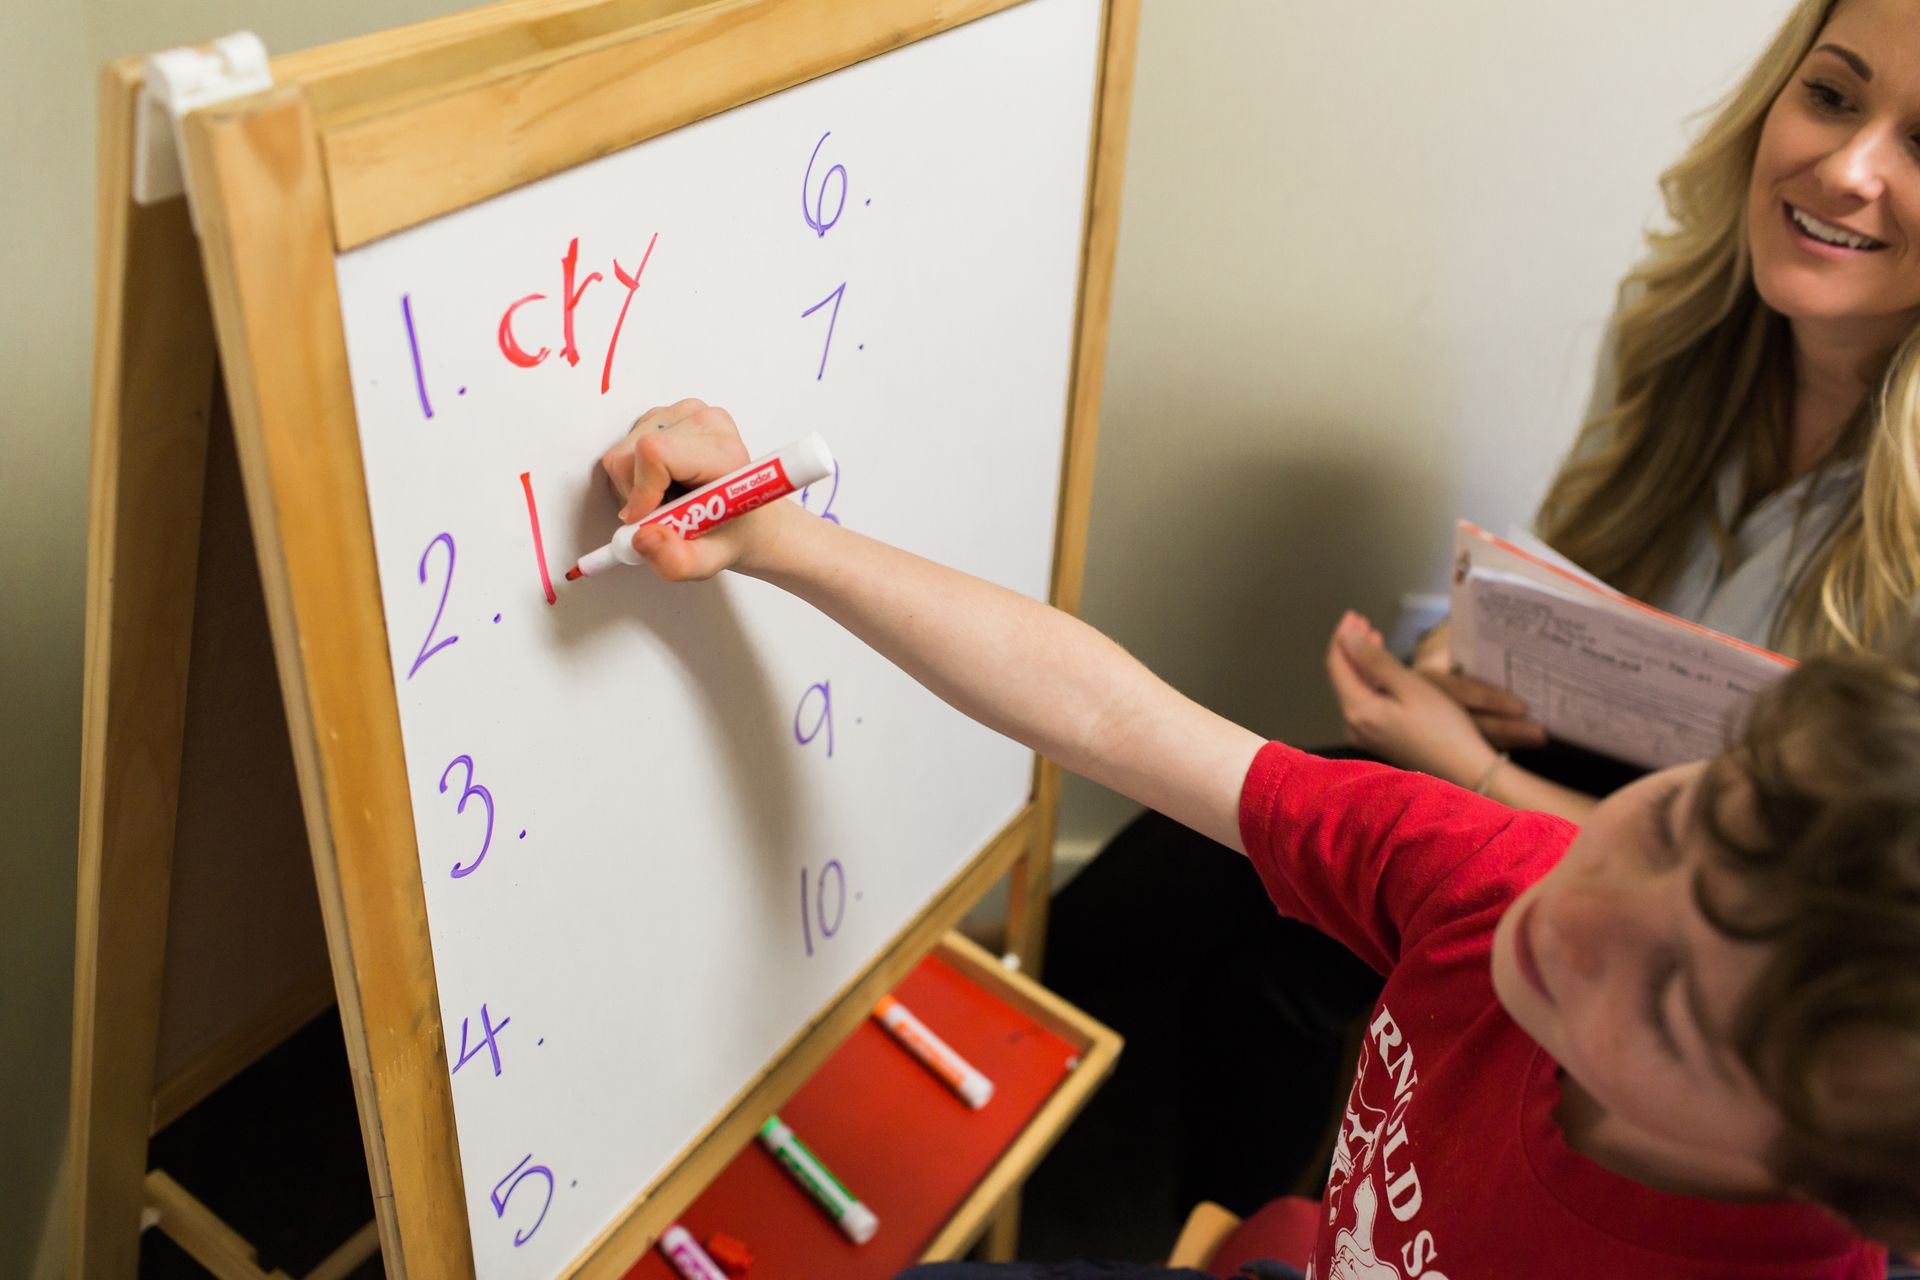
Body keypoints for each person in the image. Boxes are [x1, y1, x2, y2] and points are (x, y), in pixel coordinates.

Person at [593, 400, 1915, 1277]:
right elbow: (1120, 721)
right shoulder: (1507, 878)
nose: (1585, 912)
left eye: (1673, 1004)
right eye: (1678, 822)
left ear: (1806, 1169)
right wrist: (784, 541)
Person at [1037, 0, 1920, 1230]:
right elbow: (1595, 596)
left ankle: (1244, 1223)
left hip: (1717, 934)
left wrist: (1474, 768)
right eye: (1830, 95)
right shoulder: (1684, 337)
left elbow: (1757, 908)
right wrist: (1485, 660)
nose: (1847, 168)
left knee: (1273, 971)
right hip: (1566, 791)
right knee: (1152, 906)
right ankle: (1202, 1220)